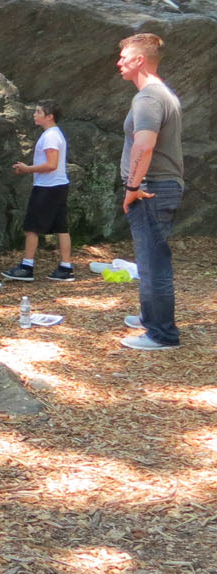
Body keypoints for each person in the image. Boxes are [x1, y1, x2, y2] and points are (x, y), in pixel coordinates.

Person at [116, 33, 183, 351]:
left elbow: (144, 145)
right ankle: (150, 319)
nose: (119, 62)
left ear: (140, 60)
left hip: (150, 189)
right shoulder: (160, 93)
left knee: (153, 262)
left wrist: (132, 186)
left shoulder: (148, 97)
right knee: (149, 261)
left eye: (124, 57)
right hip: (156, 187)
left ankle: (162, 334)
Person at [2, 101, 73, 283]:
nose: (35, 114)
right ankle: (66, 267)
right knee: (61, 227)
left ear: (49, 116)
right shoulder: (54, 134)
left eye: (39, 112)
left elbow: (51, 164)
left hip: (47, 187)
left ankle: (27, 266)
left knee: (31, 227)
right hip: (59, 185)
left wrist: (27, 169)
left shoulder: (50, 136)